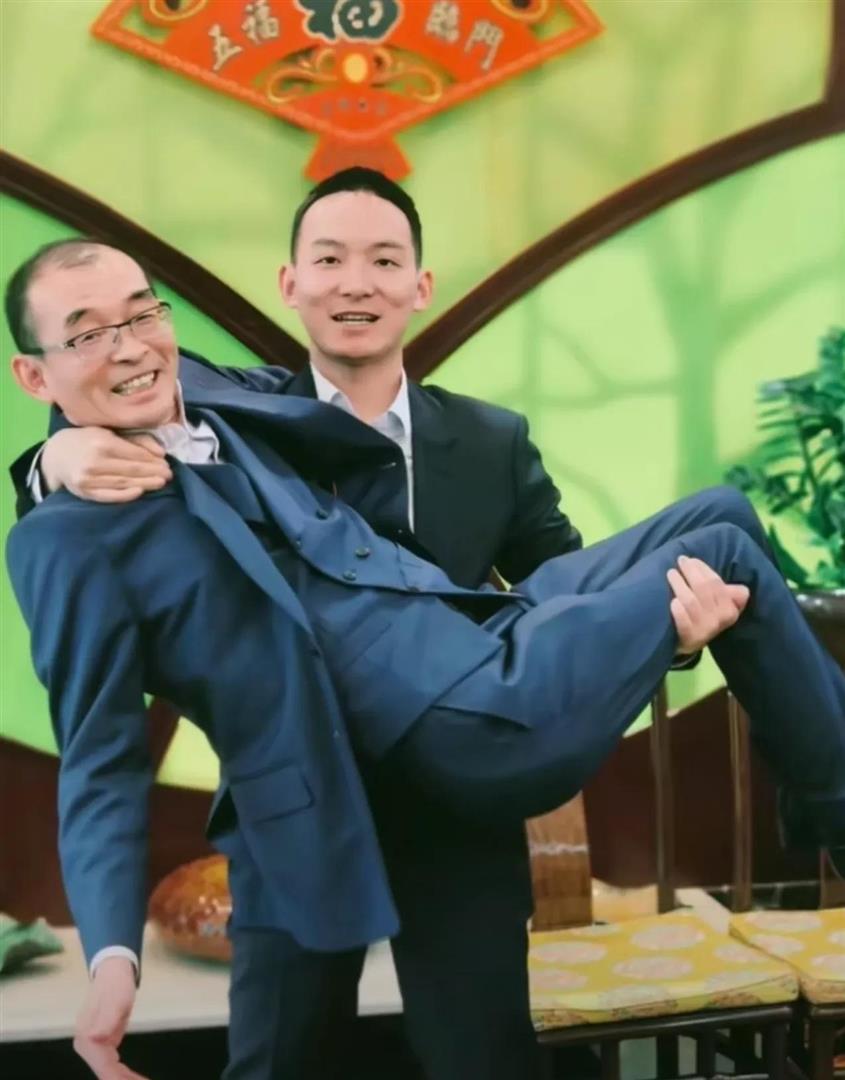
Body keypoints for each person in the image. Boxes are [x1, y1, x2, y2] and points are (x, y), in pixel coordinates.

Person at [6, 239, 845, 1080]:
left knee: (720, 516)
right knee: (283, 1056)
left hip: (479, 638)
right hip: (433, 726)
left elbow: (163, 363)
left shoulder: (211, 388)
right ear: (34, 376)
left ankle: (820, 812)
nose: (128, 346)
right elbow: (100, 756)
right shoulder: (67, 539)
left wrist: (666, 634)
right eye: (87, 334)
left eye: (141, 314)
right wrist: (111, 959)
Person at [13, 169, 586, 1080]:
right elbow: (105, 392)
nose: (355, 283)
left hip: (457, 809)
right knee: (278, 1061)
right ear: (290, 283)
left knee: (484, 1061)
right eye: (328, 259)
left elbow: (563, 588)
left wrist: (667, 641)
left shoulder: (492, 441)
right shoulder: (245, 411)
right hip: (289, 819)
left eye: (383, 260)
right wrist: (52, 454)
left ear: (419, 285)